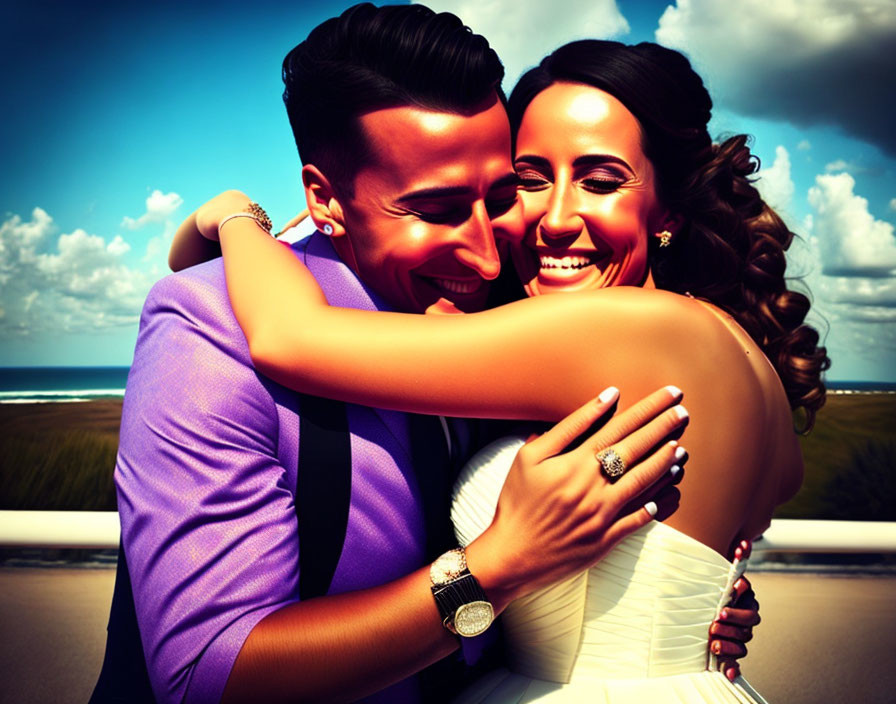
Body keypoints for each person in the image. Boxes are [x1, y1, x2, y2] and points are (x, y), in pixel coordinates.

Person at [183, 39, 829, 703]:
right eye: (529, 180)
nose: (553, 219)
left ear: (668, 209)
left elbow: (292, 338)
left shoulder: (631, 328)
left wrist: (236, 219)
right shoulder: (740, 359)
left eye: (601, 181)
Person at [91, 8, 698, 704]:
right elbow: (207, 680)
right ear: (324, 198)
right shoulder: (208, 327)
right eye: (437, 210)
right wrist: (491, 570)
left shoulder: (510, 312)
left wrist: (671, 601)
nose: (487, 251)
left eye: (502, 197)